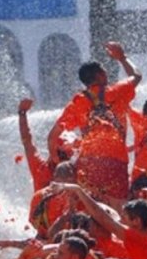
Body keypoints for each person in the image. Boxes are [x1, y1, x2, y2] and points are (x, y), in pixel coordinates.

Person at [47, 43, 141, 206]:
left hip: (89, 163)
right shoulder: (118, 91)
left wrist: (57, 161)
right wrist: (122, 58)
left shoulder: (77, 102)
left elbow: (52, 137)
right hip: (116, 162)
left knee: (90, 209)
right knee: (118, 210)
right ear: (101, 75)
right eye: (104, 70)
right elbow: (137, 75)